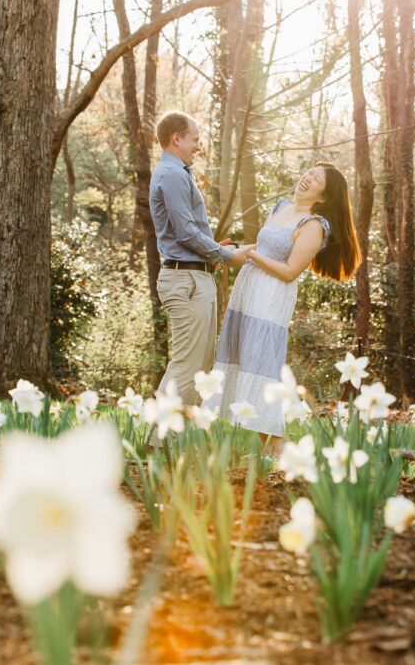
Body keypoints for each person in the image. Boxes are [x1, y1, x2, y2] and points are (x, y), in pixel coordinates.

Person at [204, 162, 361, 454]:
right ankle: (267, 451)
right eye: (309, 173)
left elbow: (290, 271)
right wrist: (232, 253)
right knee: (244, 358)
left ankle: (278, 449)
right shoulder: (281, 207)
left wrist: (250, 255)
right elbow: (263, 247)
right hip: (248, 291)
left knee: (261, 364)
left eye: (315, 180)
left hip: (271, 297)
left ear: (324, 197)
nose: (307, 179)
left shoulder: (314, 226)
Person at [149, 111, 254, 410]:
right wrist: (227, 255)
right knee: (187, 365)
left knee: (199, 366)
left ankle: (177, 442)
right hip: (186, 280)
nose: (199, 146)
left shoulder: (179, 173)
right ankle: (160, 444)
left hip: (195, 275)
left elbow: (189, 233)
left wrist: (216, 251)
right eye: (195, 139)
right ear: (176, 138)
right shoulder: (170, 175)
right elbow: (185, 233)